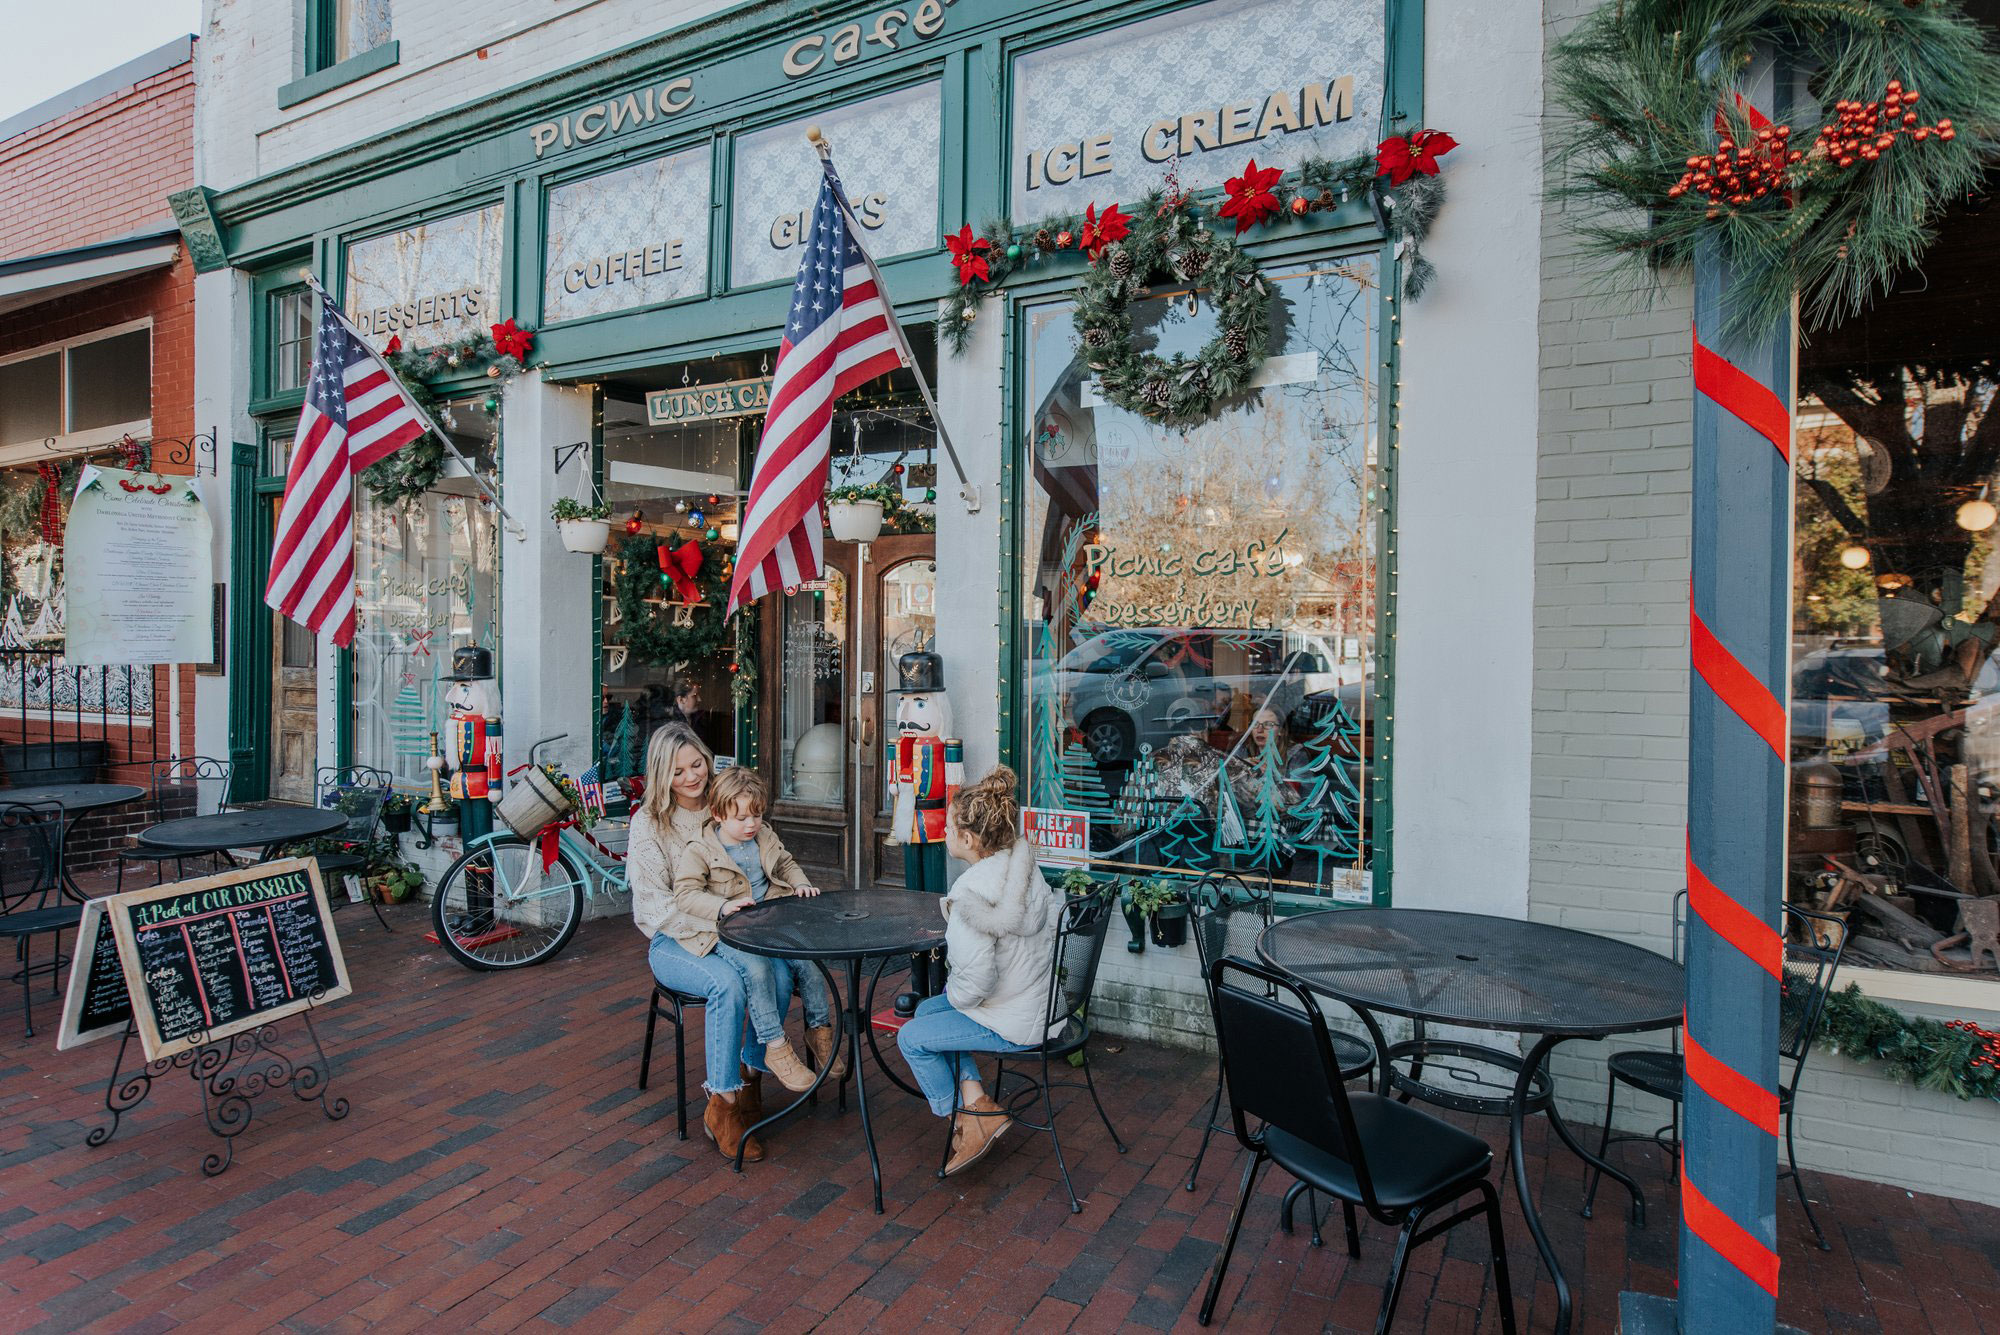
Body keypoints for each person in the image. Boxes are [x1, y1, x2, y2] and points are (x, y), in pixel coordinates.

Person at [629, 725, 790, 1162]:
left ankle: (750, 1075)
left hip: (738, 934)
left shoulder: (728, 803)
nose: (691, 777)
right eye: (677, 770)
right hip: (674, 941)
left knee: (778, 972)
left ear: (707, 757)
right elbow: (653, 907)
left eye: (696, 763)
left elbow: (766, 863)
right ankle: (723, 1105)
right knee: (728, 985)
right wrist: (719, 923)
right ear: (662, 774)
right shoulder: (648, 823)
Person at [895, 766, 1062, 1176]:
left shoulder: (971, 895)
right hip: (1043, 1004)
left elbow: (972, 986)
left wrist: (956, 999)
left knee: (912, 1037)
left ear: (968, 839)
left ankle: (964, 1119)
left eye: (949, 828)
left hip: (1015, 1021)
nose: (945, 834)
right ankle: (977, 1101)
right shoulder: (1023, 870)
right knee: (926, 1011)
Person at [673, 768, 842, 1099]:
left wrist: (800, 883)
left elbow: (785, 864)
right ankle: (775, 1046)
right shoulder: (702, 849)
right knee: (757, 970)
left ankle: (819, 1030)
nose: (751, 824)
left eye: (757, 815)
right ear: (719, 814)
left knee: (809, 962)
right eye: (742, 818)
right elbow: (685, 893)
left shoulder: (763, 835)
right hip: (732, 932)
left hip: (772, 923)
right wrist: (721, 906)